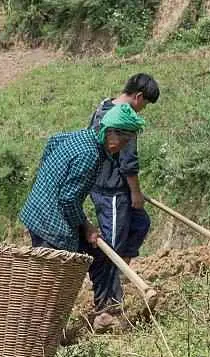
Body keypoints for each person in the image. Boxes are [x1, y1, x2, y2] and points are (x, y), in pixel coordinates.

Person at [19, 103, 146, 326]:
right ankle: (38, 335)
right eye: (123, 141)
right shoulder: (90, 155)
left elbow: (52, 142)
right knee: (54, 281)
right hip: (51, 223)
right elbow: (68, 200)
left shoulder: (79, 136)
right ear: (110, 132)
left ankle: (106, 313)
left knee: (100, 256)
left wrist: (49, 181)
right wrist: (86, 227)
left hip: (43, 212)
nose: (122, 147)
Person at [88, 73, 160, 331]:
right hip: (112, 191)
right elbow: (128, 162)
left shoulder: (103, 105)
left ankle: (114, 280)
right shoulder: (124, 118)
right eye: (146, 103)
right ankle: (106, 308)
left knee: (140, 223)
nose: (143, 109)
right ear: (138, 96)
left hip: (106, 187)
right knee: (113, 247)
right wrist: (136, 194)